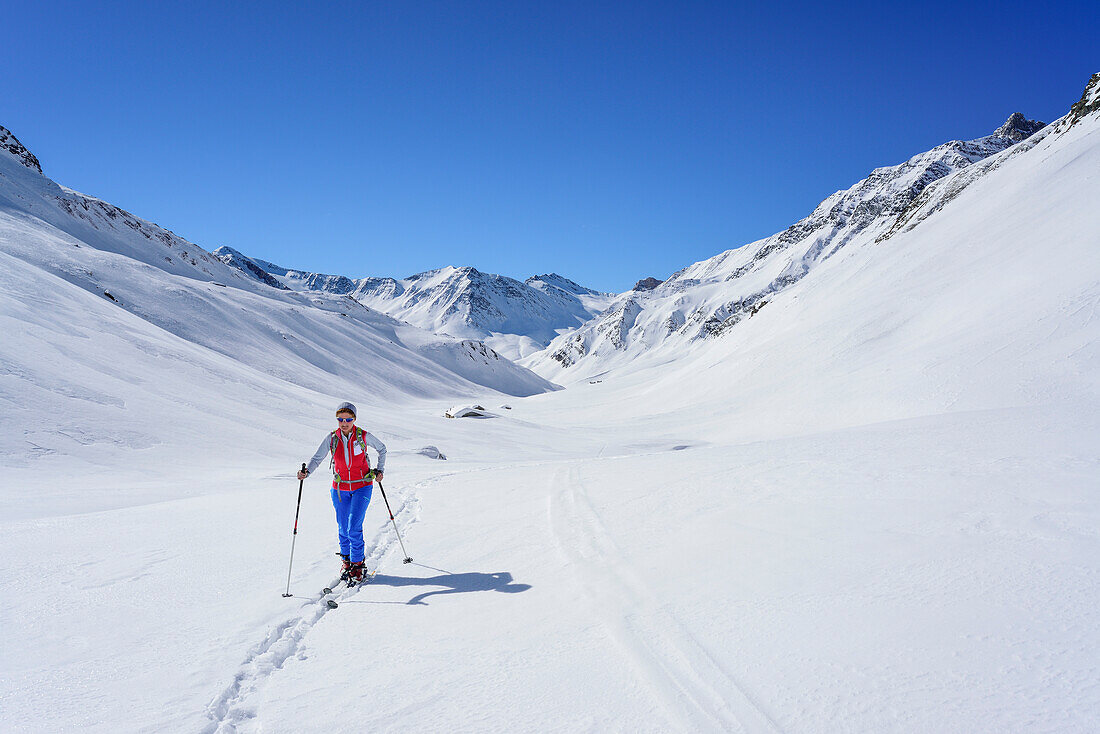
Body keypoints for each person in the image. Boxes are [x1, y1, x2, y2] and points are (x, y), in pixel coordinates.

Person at [297, 402, 387, 583]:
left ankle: (358, 564)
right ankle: (346, 562)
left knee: (354, 526)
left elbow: (382, 448)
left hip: (362, 485)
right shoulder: (332, 438)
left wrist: (380, 470)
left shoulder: (363, 435)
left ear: (354, 419)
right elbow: (317, 458)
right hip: (339, 489)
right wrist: (307, 473)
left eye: (348, 419)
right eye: (340, 419)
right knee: (342, 528)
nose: (344, 423)